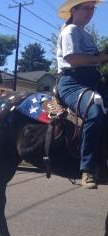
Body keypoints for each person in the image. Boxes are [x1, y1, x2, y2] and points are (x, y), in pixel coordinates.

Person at [56, 0, 108, 189]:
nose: (90, 12)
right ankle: (87, 168)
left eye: (92, 8)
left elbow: (95, 61)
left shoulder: (86, 35)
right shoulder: (70, 31)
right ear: (74, 10)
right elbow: (73, 59)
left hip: (93, 81)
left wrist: (103, 54)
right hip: (72, 82)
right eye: (86, 8)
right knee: (94, 111)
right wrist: (102, 57)